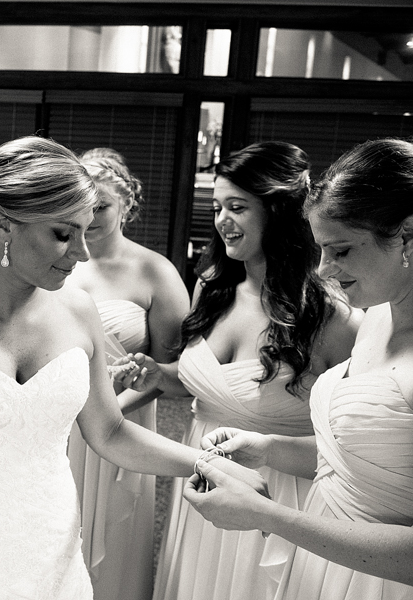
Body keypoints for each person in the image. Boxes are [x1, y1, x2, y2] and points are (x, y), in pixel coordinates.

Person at [0, 136, 268, 600]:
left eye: (86, 231)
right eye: (64, 234)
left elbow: (109, 433)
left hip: (52, 547)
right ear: (4, 225)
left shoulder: (78, 309)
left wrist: (209, 463)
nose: (82, 253)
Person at [118, 141, 359, 600]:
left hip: (276, 493)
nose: (222, 221)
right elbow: (203, 387)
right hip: (202, 478)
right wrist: (159, 376)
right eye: (217, 207)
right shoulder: (211, 285)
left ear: (278, 212)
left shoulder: (331, 315)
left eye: (237, 207)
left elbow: (346, 440)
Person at [184, 137, 413, 598]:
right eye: (321, 249)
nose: (325, 269)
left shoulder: (346, 317)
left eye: (342, 250)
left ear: (407, 234)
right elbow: (354, 459)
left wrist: (271, 517)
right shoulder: (377, 317)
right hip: (320, 559)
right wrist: (268, 447)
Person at [66, 148, 190, 599]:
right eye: (83, 206)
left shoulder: (154, 271)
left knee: (113, 543)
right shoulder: (56, 262)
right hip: (58, 421)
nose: (92, 216)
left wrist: (110, 411)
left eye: (103, 205)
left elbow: (170, 372)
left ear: (126, 204)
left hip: (125, 420)